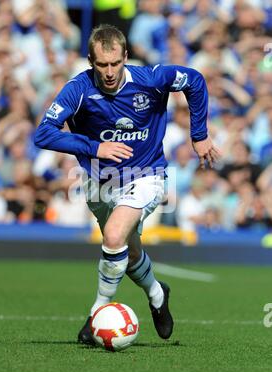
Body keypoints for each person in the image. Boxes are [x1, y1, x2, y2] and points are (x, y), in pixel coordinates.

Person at [34, 24, 221, 345]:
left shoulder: (150, 79)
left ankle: (97, 313)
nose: (109, 72)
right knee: (127, 252)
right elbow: (43, 133)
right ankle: (157, 292)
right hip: (97, 181)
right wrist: (94, 147)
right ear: (90, 61)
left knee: (114, 234)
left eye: (115, 64)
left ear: (126, 58)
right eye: (101, 65)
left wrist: (199, 134)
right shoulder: (78, 90)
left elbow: (195, 80)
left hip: (147, 175)